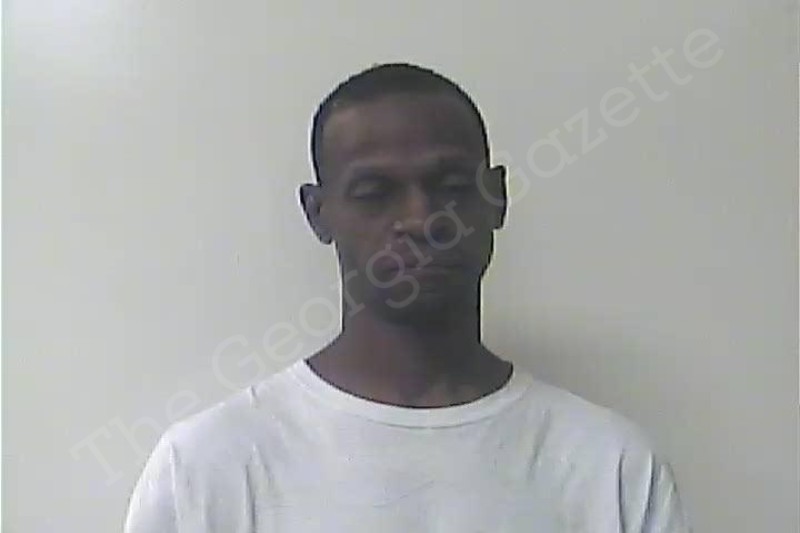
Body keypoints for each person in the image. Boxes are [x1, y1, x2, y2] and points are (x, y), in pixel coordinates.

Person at [125, 63, 690, 532]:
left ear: (496, 198)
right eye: (375, 193)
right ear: (318, 214)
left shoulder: (610, 468)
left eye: (451, 187)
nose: (421, 219)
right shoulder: (207, 469)